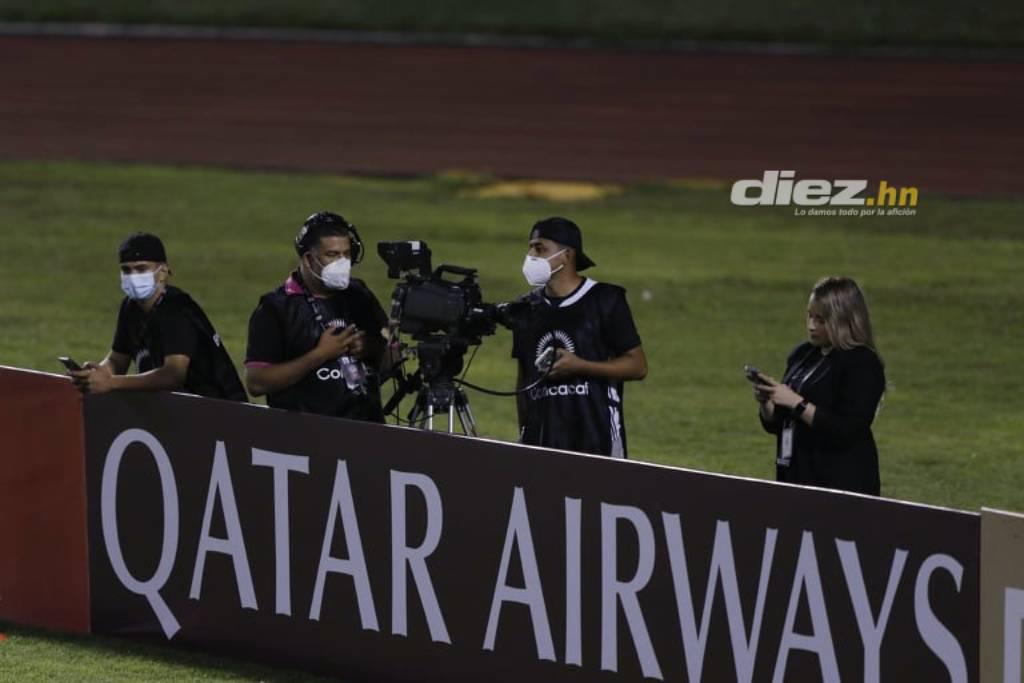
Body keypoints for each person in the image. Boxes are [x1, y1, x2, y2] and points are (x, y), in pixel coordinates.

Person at [510, 216, 647, 457]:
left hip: (597, 438)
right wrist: (525, 433)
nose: (531, 255)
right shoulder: (525, 307)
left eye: (540, 248)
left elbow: (637, 366)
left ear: (567, 254)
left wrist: (580, 366)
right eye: (530, 247)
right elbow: (524, 378)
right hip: (543, 441)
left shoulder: (605, 300)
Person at [245, 211, 389, 421]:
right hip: (306, 437)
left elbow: (392, 360)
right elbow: (257, 382)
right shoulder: (276, 307)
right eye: (332, 255)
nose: (342, 263)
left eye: (347, 254)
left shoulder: (359, 295)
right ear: (309, 259)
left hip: (366, 431)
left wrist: (371, 346)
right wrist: (320, 355)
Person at [69, 233, 247, 401]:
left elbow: (173, 374)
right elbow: (117, 360)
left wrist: (112, 382)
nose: (133, 276)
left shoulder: (177, 308)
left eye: (141, 269)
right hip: (182, 411)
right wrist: (97, 373)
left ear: (162, 272)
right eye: (126, 270)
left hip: (222, 412)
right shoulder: (130, 307)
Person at [753, 276, 886, 495]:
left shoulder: (862, 363)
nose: (811, 326)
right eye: (809, 316)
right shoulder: (802, 354)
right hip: (796, 476)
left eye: (821, 320)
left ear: (844, 320)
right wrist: (768, 404)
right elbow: (780, 425)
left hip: (841, 483)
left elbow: (847, 430)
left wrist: (797, 403)